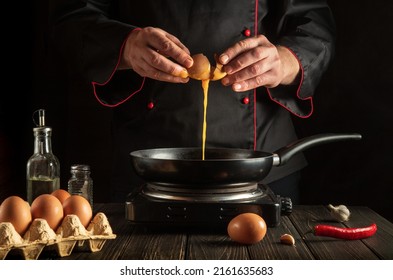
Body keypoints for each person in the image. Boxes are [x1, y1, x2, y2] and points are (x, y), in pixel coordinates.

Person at [50, 0, 336, 204]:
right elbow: (72, 18)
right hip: (148, 168)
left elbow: (315, 25)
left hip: (263, 166)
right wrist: (125, 46)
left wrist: (284, 61)